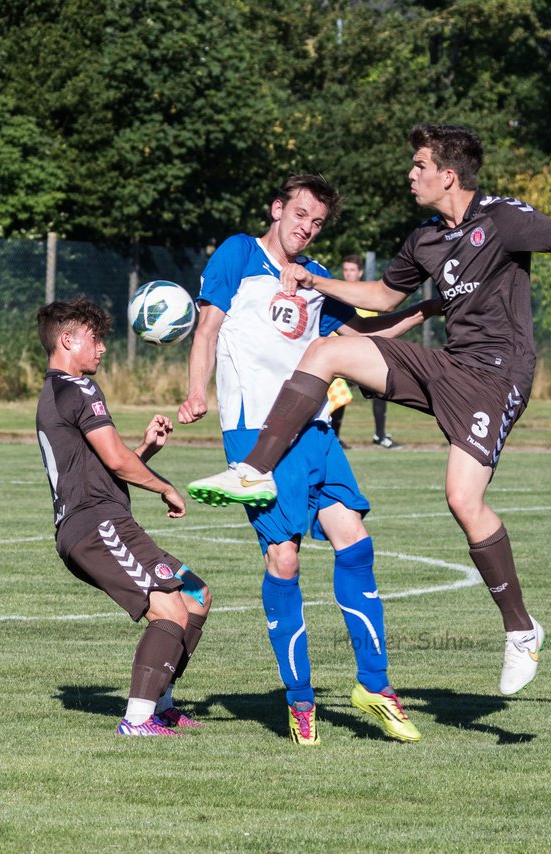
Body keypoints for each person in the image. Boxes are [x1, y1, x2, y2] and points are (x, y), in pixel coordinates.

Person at [188, 124, 551, 695]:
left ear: (448, 174)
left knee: (463, 499)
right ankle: (254, 469)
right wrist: (317, 279)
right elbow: (382, 301)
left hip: (497, 376)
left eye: (419, 166)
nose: (411, 175)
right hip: (450, 365)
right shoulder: (424, 239)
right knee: (327, 350)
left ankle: (521, 630)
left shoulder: (504, 217)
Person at [178, 173, 438, 744]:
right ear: (277, 209)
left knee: (356, 542)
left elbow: (372, 330)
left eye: (316, 222)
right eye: (299, 215)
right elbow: (208, 328)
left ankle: (376, 687)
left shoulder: (317, 277)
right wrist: (198, 389)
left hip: (316, 428)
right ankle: (300, 701)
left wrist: (435, 302)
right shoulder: (239, 253)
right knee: (285, 562)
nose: (306, 228)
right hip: (255, 434)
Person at [36, 298, 211, 737]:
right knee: (170, 609)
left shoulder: (59, 392)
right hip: (95, 526)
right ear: (67, 340)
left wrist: (146, 450)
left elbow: (105, 467)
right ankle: (137, 719)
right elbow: (114, 462)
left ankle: (162, 703)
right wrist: (165, 485)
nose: (102, 349)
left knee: (195, 595)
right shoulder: (78, 389)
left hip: (102, 520)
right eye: (95, 340)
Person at [342, 254, 399, 449]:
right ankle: (333, 435)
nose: (348, 274)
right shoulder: (337, 293)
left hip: (362, 355)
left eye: (351, 270)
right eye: (345, 270)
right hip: (340, 354)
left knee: (380, 388)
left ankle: (380, 435)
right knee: (338, 396)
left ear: (360, 273)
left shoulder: (366, 294)